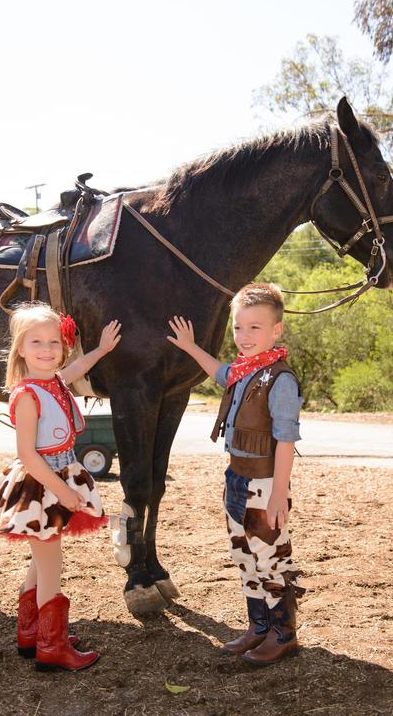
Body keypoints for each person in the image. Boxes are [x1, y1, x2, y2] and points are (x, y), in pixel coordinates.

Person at [0, 302, 121, 672]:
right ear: (20, 349)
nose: (46, 350)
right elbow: (27, 454)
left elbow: (74, 370)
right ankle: (51, 646)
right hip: (42, 485)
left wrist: (102, 349)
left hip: (58, 476)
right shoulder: (26, 395)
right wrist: (65, 491)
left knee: (41, 562)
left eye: (54, 342)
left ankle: (31, 632)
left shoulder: (52, 381)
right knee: (51, 564)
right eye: (36, 342)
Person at [167, 282, 303, 665]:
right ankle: (258, 627)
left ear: (276, 330)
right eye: (238, 328)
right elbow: (219, 372)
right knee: (244, 556)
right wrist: (191, 346)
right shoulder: (245, 371)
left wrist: (279, 494)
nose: (244, 337)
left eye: (254, 328)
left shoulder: (280, 379)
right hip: (235, 479)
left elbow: (287, 441)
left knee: (271, 558)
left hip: (263, 484)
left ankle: (283, 634)